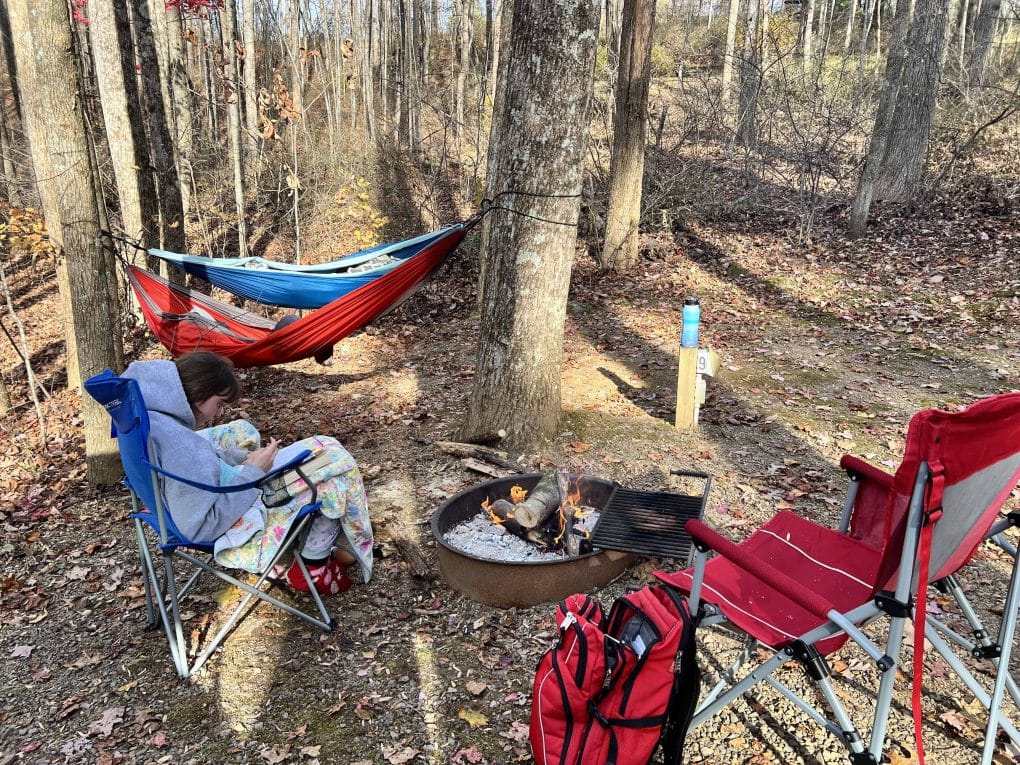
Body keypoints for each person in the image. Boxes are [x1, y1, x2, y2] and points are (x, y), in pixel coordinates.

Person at [121, 350, 373, 595]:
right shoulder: (181, 446)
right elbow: (201, 527)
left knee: (316, 448)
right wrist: (253, 472)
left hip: (202, 499)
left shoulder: (152, 416)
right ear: (198, 395)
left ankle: (326, 547)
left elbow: (198, 470)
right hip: (233, 516)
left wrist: (242, 460)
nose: (218, 413)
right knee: (335, 462)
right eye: (219, 404)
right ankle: (315, 562)